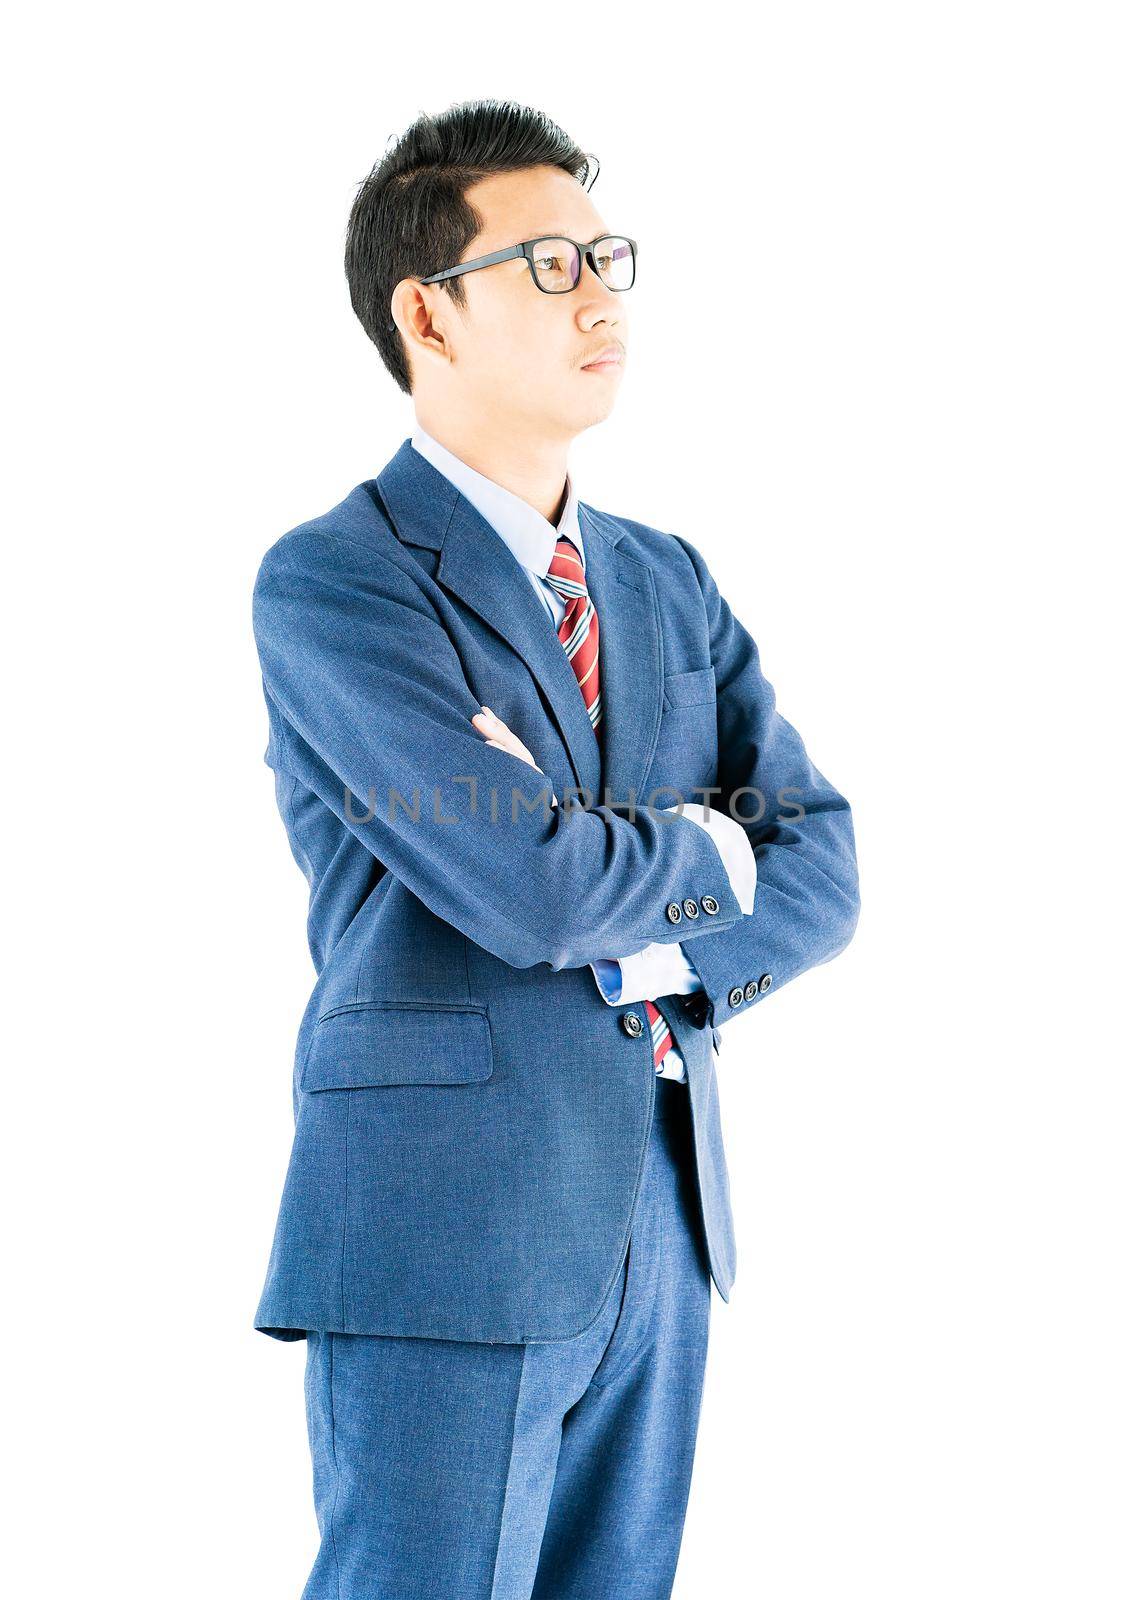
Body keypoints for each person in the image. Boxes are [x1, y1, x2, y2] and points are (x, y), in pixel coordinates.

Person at [250, 97, 860, 1600]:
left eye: (607, 258)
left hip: (659, 1200)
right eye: (548, 264)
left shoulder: (663, 580)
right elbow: (523, 882)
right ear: (428, 315)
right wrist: (710, 841)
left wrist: (636, 867)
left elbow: (826, 866)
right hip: (444, 1216)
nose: (602, 297)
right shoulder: (338, 582)